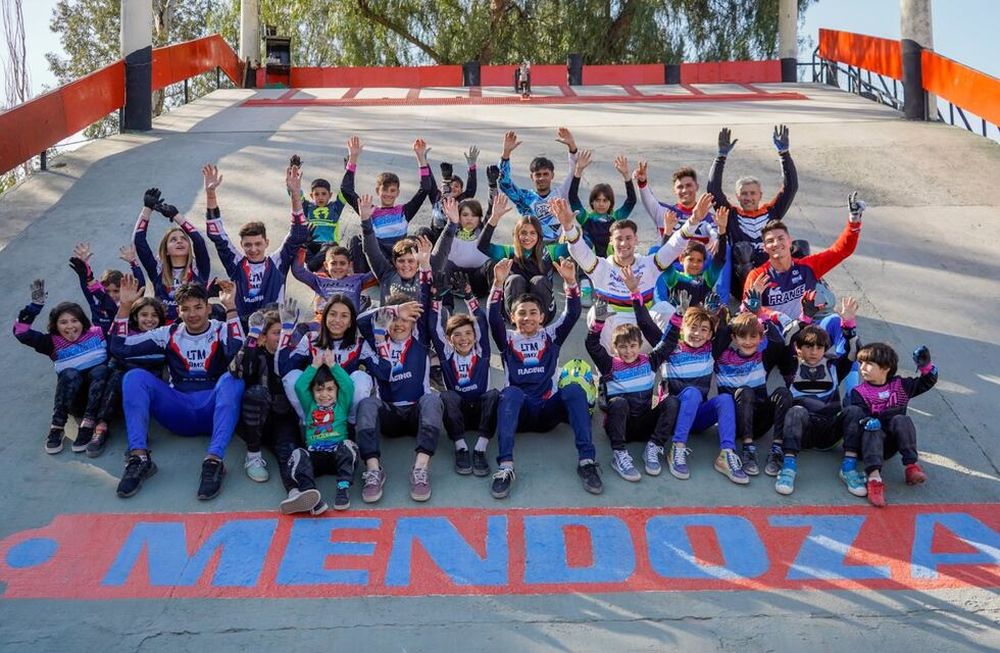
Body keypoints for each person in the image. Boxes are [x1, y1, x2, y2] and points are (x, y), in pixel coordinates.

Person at [109, 278, 245, 501]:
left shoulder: (221, 329)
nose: (192, 314)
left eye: (198, 307)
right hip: (178, 411)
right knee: (133, 377)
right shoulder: (167, 333)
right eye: (186, 309)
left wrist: (230, 307)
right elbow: (119, 347)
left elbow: (237, 352)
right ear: (178, 312)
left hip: (214, 411)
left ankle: (214, 461)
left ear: (209, 308)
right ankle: (139, 458)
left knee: (234, 379)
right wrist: (124, 307)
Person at [488, 254, 602, 499]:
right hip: (522, 413)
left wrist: (571, 283)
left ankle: (587, 461)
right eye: (522, 313)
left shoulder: (551, 336)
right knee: (509, 394)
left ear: (541, 317)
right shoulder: (507, 338)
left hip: (548, 410)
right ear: (512, 317)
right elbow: (492, 318)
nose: (527, 317)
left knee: (573, 389)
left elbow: (572, 315)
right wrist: (498, 286)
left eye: (533, 313)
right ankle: (505, 467)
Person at [557, 192, 709, 352]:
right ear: (611, 241)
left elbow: (674, 246)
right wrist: (568, 227)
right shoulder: (601, 267)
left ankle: (671, 361)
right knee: (598, 311)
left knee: (665, 308)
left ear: (636, 240)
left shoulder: (649, 264)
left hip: (644, 333)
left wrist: (694, 220)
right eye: (618, 239)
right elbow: (579, 251)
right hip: (615, 337)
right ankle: (607, 371)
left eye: (628, 238)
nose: (623, 243)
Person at [354, 259, 443, 503]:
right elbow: (361, 320)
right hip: (389, 414)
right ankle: (373, 470)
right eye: (395, 320)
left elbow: (424, 302)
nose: (400, 324)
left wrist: (425, 265)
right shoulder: (377, 339)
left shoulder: (421, 338)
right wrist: (392, 311)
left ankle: (420, 470)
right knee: (367, 404)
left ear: (413, 322)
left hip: (416, 412)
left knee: (433, 400)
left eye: (405, 320)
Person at [585, 266, 678, 482]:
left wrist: (678, 317)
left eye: (633, 346)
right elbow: (591, 344)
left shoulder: (649, 361)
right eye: (623, 347)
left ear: (640, 346)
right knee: (618, 402)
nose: (628, 351)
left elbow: (669, 342)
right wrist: (598, 324)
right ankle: (619, 454)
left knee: (672, 402)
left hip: (645, 423)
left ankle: (654, 446)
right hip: (620, 426)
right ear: (615, 348)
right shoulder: (610, 365)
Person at [645, 291, 748, 484]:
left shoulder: (711, 349)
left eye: (703, 330)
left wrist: (746, 307)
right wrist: (636, 295)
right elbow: (645, 324)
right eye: (693, 327)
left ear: (710, 335)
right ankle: (677, 447)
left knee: (726, 399)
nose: (697, 333)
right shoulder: (670, 347)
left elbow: (731, 327)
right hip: (670, 414)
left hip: (697, 418)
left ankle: (726, 454)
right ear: (682, 329)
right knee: (691, 393)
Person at [771, 294, 860, 497]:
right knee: (795, 411)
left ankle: (849, 467)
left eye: (819, 347)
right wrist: (804, 318)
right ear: (799, 349)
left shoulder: (835, 366)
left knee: (854, 411)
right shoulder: (792, 366)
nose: (814, 352)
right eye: (808, 347)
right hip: (803, 431)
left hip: (829, 433)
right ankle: (788, 467)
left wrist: (848, 324)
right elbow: (786, 340)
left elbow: (853, 351)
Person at [13, 279, 109, 455]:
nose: (70, 326)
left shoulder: (98, 332)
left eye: (74, 320)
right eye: (63, 322)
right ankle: (57, 426)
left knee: (101, 369)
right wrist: (35, 306)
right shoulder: (51, 342)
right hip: (75, 400)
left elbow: (113, 312)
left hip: (102, 399)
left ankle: (88, 424)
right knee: (70, 373)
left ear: (83, 322)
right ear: (55, 326)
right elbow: (21, 332)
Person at [204, 164, 310, 320]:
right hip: (244, 329)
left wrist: (295, 195)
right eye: (248, 245)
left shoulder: (278, 261)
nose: (253, 249)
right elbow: (216, 234)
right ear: (242, 245)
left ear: (266, 243)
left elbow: (299, 232)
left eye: (258, 244)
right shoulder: (235, 263)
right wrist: (211, 194)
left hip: (273, 331)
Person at [841, 343, 938, 507]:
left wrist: (926, 366)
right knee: (873, 428)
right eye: (861, 363)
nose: (863, 368)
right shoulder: (859, 392)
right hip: (868, 445)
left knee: (902, 420)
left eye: (869, 364)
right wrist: (869, 420)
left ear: (886, 368)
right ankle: (874, 479)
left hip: (890, 445)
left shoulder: (900, 386)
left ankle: (911, 466)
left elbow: (926, 383)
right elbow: (859, 416)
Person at [744, 192, 867, 320]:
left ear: (789, 242)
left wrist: (854, 220)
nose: (776, 243)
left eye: (781, 238)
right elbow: (747, 313)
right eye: (770, 241)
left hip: (806, 330)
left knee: (835, 321)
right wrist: (769, 313)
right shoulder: (756, 276)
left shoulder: (808, 266)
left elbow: (841, 250)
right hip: (774, 333)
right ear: (764, 248)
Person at [708, 125, 798, 298]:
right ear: (738, 196)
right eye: (744, 194)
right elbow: (713, 190)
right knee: (743, 248)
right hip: (743, 284)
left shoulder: (772, 212)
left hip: (774, 275)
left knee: (799, 246)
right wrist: (720, 157)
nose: (748, 198)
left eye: (752, 193)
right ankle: (753, 300)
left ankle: (806, 290)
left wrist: (784, 154)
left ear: (760, 195)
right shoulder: (731, 215)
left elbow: (791, 187)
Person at [277, 295, 391, 427]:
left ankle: (351, 425)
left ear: (350, 322)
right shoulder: (310, 339)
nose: (337, 320)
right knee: (292, 376)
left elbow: (384, 373)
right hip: (315, 403)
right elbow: (284, 369)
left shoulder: (359, 344)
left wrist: (380, 338)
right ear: (324, 317)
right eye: (332, 314)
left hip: (344, 405)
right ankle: (309, 423)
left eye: (344, 316)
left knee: (362, 377)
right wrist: (286, 330)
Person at [429, 271, 497, 477]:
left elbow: (481, 323)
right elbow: (434, 328)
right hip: (459, 413)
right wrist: (436, 299)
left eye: (468, 333)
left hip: (480, 412)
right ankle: (461, 448)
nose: (463, 339)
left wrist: (468, 295)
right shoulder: (447, 355)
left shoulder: (482, 352)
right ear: (449, 340)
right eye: (457, 335)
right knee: (446, 396)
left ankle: (480, 449)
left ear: (475, 337)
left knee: (494, 394)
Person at [90, 276, 168, 458]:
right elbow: (116, 345)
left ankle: (139, 434)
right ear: (135, 316)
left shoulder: (162, 337)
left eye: (154, 315)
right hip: (121, 386)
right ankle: (101, 427)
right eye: (144, 315)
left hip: (149, 388)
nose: (149, 319)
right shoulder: (127, 334)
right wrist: (125, 304)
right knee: (117, 375)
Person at [713, 307, 790, 476]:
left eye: (753, 336)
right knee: (746, 391)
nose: (748, 341)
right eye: (742, 336)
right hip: (736, 423)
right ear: (733, 337)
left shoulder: (762, 356)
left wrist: (761, 315)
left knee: (783, 393)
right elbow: (717, 342)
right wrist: (730, 322)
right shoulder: (721, 357)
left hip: (760, 423)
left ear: (760, 338)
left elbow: (778, 342)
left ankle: (777, 449)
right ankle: (748, 449)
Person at [228, 308, 301, 486]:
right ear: (263, 336)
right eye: (277, 333)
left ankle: (295, 491)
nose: (283, 337)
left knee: (290, 453)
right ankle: (253, 456)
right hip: (255, 419)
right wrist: (251, 337)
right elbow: (237, 370)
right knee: (258, 393)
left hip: (282, 420)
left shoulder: (295, 355)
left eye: (286, 332)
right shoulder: (256, 353)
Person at [341, 136, 434, 270]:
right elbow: (346, 190)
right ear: (377, 191)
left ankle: (420, 272)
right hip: (377, 262)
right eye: (384, 190)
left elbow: (425, 188)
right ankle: (360, 280)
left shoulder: (404, 211)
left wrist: (421, 158)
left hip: (399, 260)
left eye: (392, 190)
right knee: (356, 240)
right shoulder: (369, 210)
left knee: (415, 238)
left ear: (398, 193)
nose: (388, 194)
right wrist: (353, 158)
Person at [287, 350, 358, 513]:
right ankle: (310, 496)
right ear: (312, 392)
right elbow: (299, 386)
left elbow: (348, 385)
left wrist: (333, 365)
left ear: (336, 391)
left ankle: (342, 489)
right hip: (315, 456)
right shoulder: (310, 405)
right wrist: (314, 366)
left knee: (349, 447)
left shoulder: (341, 404)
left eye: (329, 389)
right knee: (298, 454)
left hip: (336, 455)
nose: (324, 394)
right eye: (319, 390)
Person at [133, 185, 212, 322]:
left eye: (183, 239)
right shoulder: (157, 269)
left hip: (194, 328)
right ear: (166, 250)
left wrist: (177, 216)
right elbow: (139, 241)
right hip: (163, 332)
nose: (179, 242)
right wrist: (147, 209)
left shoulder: (199, 268)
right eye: (173, 240)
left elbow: (199, 241)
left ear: (189, 246)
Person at [361, 193, 456, 304]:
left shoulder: (428, 271)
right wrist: (365, 222)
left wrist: (452, 223)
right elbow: (371, 251)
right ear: (394, 262)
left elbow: (442, 250)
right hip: (391, 320)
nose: (406, 265)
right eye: (401, 260)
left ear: (418, 263)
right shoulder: (387, 274)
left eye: (411, 260)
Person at [477, 194, 555, 322]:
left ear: (539, 235)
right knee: (515, 279)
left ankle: (538, 321)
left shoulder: (549, 252)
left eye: (532, 233)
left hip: (542, 312)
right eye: (523, 233)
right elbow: (482, 246)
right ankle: (517, 320)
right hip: (516, 309)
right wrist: (494, 218)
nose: (527, 237)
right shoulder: (509, 252)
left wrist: (567, 224)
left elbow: (575, 248)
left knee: (539, 281)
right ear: (516, 235)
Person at [497, 127, 580, 247]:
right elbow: (505, 184)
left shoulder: (561, 194)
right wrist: (506, 154)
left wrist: (572, 146)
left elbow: (574, 170)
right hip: (531, 247)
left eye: (545, 174)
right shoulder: (525, 197)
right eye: (538, 175)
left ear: (552, 175)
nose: (542, 178)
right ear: (532, 177)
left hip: (557, 247)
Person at [653, 207, 730, 307]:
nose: (695, 264)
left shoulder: (707, 279)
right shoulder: (675, 277)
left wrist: (722, 230)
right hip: (677, 321)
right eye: (690, 259)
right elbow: (665, 259)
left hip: (700, 320)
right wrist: (667, 232)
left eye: (699, 261)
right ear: (681, 259)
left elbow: (719, 259)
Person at [287, 153, 351, 271]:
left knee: (332, 245)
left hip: (328, 246)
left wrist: (349, 171)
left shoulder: (335, 207)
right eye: (316, 194)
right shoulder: (307, 207)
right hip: (311, 244)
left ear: (330, 195)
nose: (320, 197)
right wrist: (293, 171)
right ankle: (315, 265)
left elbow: (346, 191)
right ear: (311, 195)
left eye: (324, 194)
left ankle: (312, 266)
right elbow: (294, 193)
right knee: (299, 244)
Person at [635, 162, 718, 253]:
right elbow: (648, 200)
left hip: (695, 264)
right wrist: (642, 182)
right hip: (668, 265)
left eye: (688, 185)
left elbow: (715, 235)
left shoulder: (708, 217)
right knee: (653, 251)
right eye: (680, 187)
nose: (684, 190)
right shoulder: (664, 212)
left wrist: (716, 240)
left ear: (697, 187)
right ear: (674, 190)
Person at [568, 151, 636, 257]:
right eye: (597, 200)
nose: (601, 204)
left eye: (605, 200)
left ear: (610, 202)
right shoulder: (586, 218)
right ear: (592, 202)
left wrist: (626, 175)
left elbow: (631, 200)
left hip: (611, 262)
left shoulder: (616, 218)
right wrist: (578, 171)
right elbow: (573, 198)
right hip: (589, 262)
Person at [68, 242, 146, 334]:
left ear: (123, 290)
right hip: (100, 341)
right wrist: (83, 271)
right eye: (107, 291)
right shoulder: (95, 300)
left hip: (120, 341)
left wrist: (134, 263)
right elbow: (87, 285)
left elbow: (140, 286)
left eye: (116, 291)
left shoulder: (127, 305)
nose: (111, 295)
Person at [291, 243, 375, 316]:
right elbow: (298, 271)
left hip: (349, 323)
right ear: (326, 265)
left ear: (349, 265)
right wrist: (301, 248)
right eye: (333, 263)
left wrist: (380, 249)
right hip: (323, 322)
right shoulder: (319, 280)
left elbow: (378, 272)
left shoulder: (358, 279)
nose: (338, 267)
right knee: (302, 328)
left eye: (342, 263)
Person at [426, 146, 479, 240]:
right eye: (450, 185)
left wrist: (472, 167)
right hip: (436, 239)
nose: (452, 188)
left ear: (461, 191)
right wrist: (424, 163)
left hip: (455, 239)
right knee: (423, 232)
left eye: (456, 186)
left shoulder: (463, 200)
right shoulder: (437, 197)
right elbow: (429, 181)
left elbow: (471, 187)